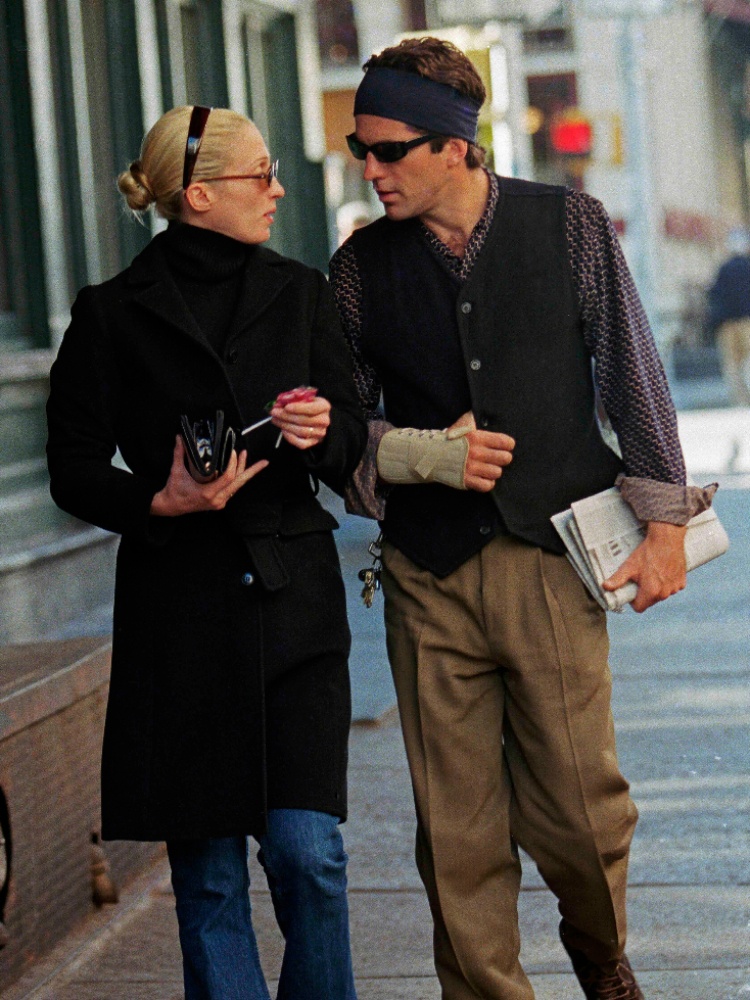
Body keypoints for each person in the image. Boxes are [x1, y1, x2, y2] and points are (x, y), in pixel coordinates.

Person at [329, 37, 716, 1000]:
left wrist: (665, 524)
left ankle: (598, 949)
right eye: (358, 151)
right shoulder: (356, 269)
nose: (369, 170)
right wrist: (412, 453)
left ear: (456, 144)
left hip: (553, 560)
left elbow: (633, 373)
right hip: (427, 573)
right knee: (455, 835)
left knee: (584, 819)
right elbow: (340, 426)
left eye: (388, 151)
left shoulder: (570, 226)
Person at [46, 104, 367, 1000]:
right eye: (259, 174)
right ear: (196, 195)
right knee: (211, 876)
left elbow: (348, 455)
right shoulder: (109, 314)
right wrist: (161, 496)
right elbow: (70, 467)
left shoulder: (301, 291)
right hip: (178, 615)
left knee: (310, 855)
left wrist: (321, 428)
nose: (277, 188)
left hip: (293, 604)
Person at [707, 226, 750, 406]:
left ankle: (741, 401)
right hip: (747, 322)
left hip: (728, 324)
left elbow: (715, 295)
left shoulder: (724, 269)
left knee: (732, 365)